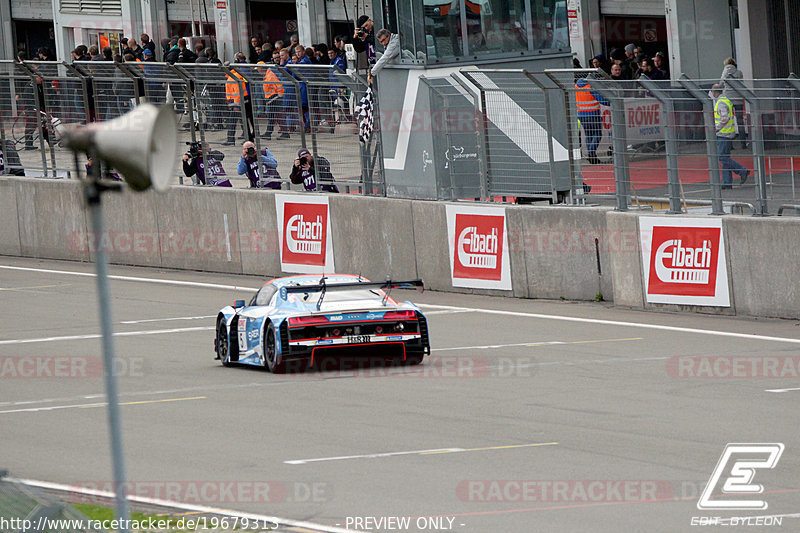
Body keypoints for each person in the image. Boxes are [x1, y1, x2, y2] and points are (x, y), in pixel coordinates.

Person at [712, 83, 749, 189]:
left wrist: (716, 128)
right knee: (725, 157)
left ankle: (742, 171)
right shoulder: (726, 100)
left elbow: (724, 118)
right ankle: (727, 182)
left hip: (723, 133)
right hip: (728, 131)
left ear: (715, 92)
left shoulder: (720, 103)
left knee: (722, 157)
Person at [575, 78, 609, 165]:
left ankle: (592, 155)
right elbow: (602, 100)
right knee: (597, 134)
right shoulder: (590, 86)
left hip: (581, 115)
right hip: (593, 114)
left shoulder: (576, 87)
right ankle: (591, 153)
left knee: (588, 134)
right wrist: (612, 101)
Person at [721, 57, 747, 148]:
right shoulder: (739, 72)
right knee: (740, 121)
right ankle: (743, 143)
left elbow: (721, 83)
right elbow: (741, 84)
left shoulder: (725, 72)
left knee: (728, 121)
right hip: (738, 98)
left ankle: (729, 144)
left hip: (728, 99)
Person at [224, 68, 252, 145]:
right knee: (242, 120)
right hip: (240, 102)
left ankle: (231, 139)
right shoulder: (234, 76)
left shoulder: (232, 77)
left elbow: (237, 92)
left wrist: (236, 105)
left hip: (237, 103)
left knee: (233, 121)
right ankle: (248, 138)